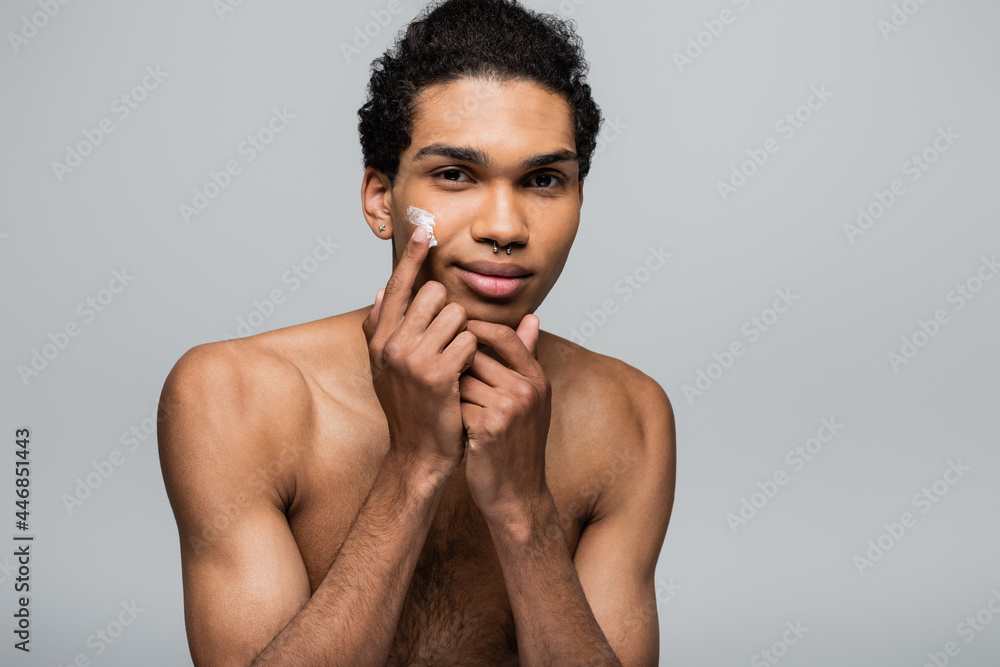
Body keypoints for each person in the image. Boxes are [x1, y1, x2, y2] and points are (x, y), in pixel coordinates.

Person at [158, 1, 676, 664]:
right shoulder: (232, 395)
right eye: (455, 175)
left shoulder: (629, 416)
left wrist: (523, 509)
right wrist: (413, 465)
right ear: (381, 200)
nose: (505, 226)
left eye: (544, 179)